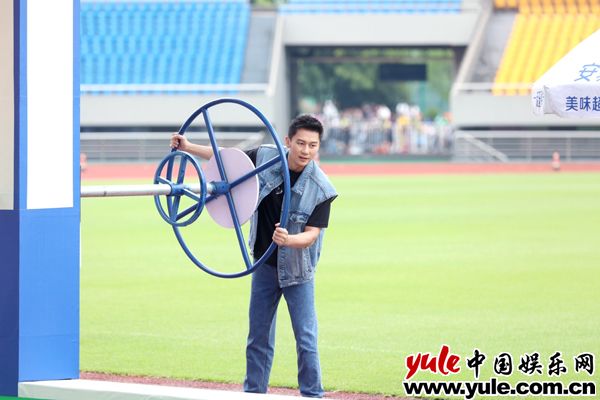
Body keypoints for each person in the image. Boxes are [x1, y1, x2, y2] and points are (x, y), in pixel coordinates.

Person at [170, 115, 337, 398]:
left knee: (306, 339)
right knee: (258, 337)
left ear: (318, 146)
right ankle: (254, 393)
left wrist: (289, 240)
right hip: (263, 265)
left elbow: (311, 235)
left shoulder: (321, 188)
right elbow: (226, 159)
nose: (306, 151)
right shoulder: (265, 157)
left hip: (298, 271)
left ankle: (312, 394)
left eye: (312, 145)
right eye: (300, 143)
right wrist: (187, 147)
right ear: (288, 141)